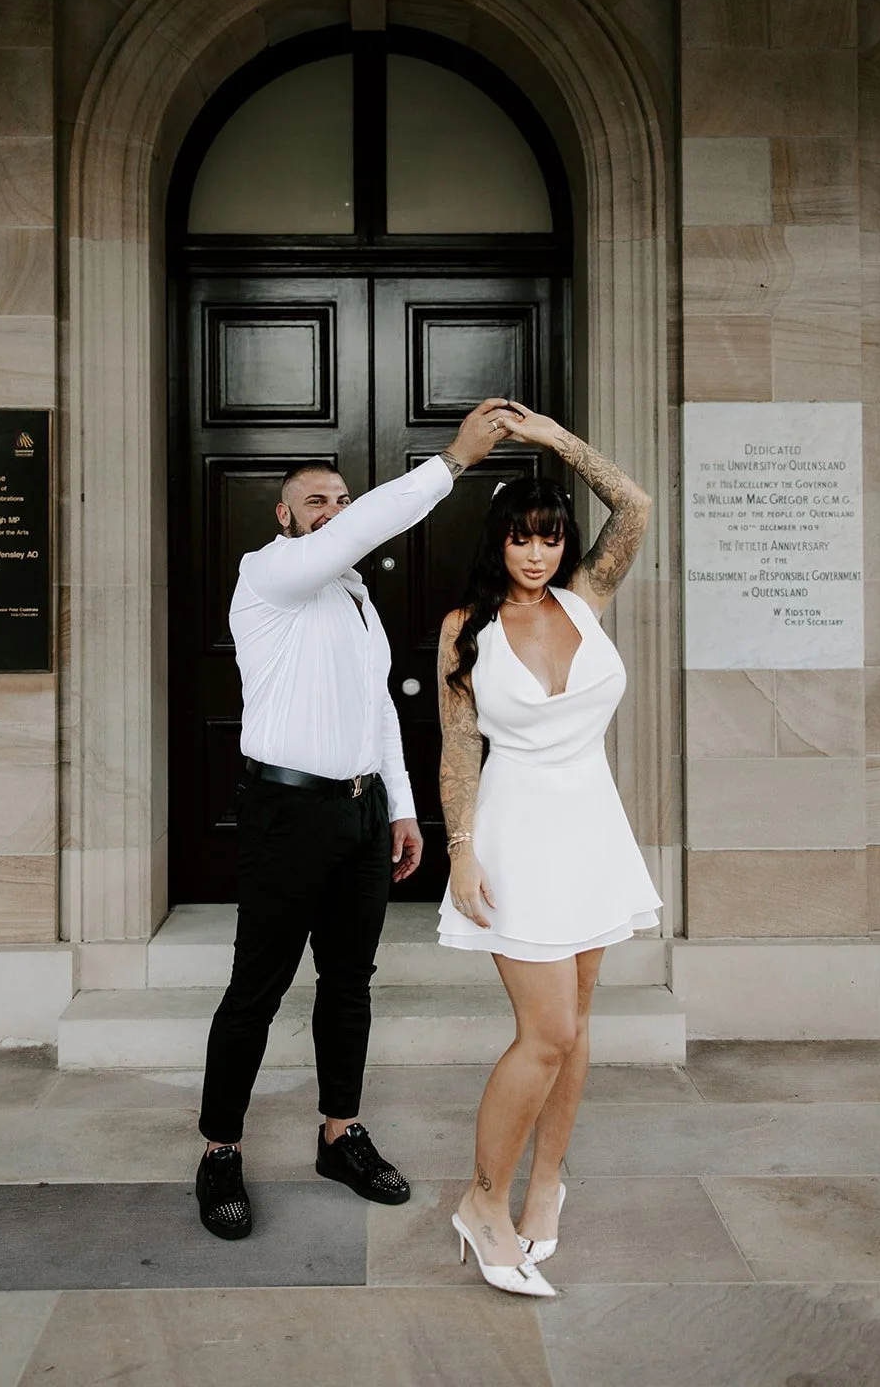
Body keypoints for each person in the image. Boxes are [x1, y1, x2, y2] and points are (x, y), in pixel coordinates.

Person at [196, 397, 514, 1240]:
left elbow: (375, 710)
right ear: (284, 517)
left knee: (348, 984)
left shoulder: (356, 599)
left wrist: (402, 810)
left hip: (360, 813)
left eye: (341, 498)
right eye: (316, 501)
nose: (333, 512)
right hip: (284, 811)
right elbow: (356, 533)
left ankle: (340, 1134)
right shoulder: (267, 574)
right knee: (254, 992)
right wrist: (452, 461)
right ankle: (219, 1150)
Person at [436, 402, 660, 1297]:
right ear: (498, 544)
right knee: (547, 1031)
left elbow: (634, 505)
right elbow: (459, 748)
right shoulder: (468, 628)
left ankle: (546, 1187)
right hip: (516, 831)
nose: (538, 555)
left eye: (550, 537)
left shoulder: (586, 596)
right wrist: (459, 850)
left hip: (593, 829)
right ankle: (482, 1200)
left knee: (577, 1032)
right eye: (523, 540)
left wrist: (554, 441)